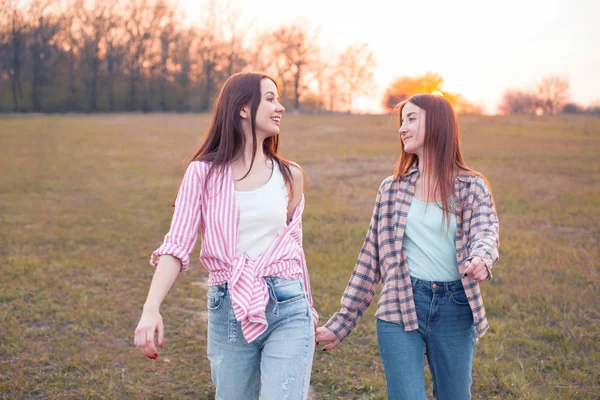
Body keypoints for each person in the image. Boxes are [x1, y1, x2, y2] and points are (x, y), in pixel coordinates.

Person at [134, 72, 318, 400]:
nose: (282, 107)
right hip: (229, 307)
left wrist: (310, 307)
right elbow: (176, 246)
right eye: (271, 98)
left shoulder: (290, 175)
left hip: (289, 306)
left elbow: (293, 250)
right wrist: (151, 308)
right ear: (244, 108)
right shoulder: (202, 174)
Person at [315, 93, 499, 400]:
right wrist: (342, 323)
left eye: (411, 119)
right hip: (401, 302)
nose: (402, 128)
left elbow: (486, 229)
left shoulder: (471, 185)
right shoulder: (392, 188)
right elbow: (370, 259)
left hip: (455, 306)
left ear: (438, 124)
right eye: (402, 121)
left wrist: (481, 257)